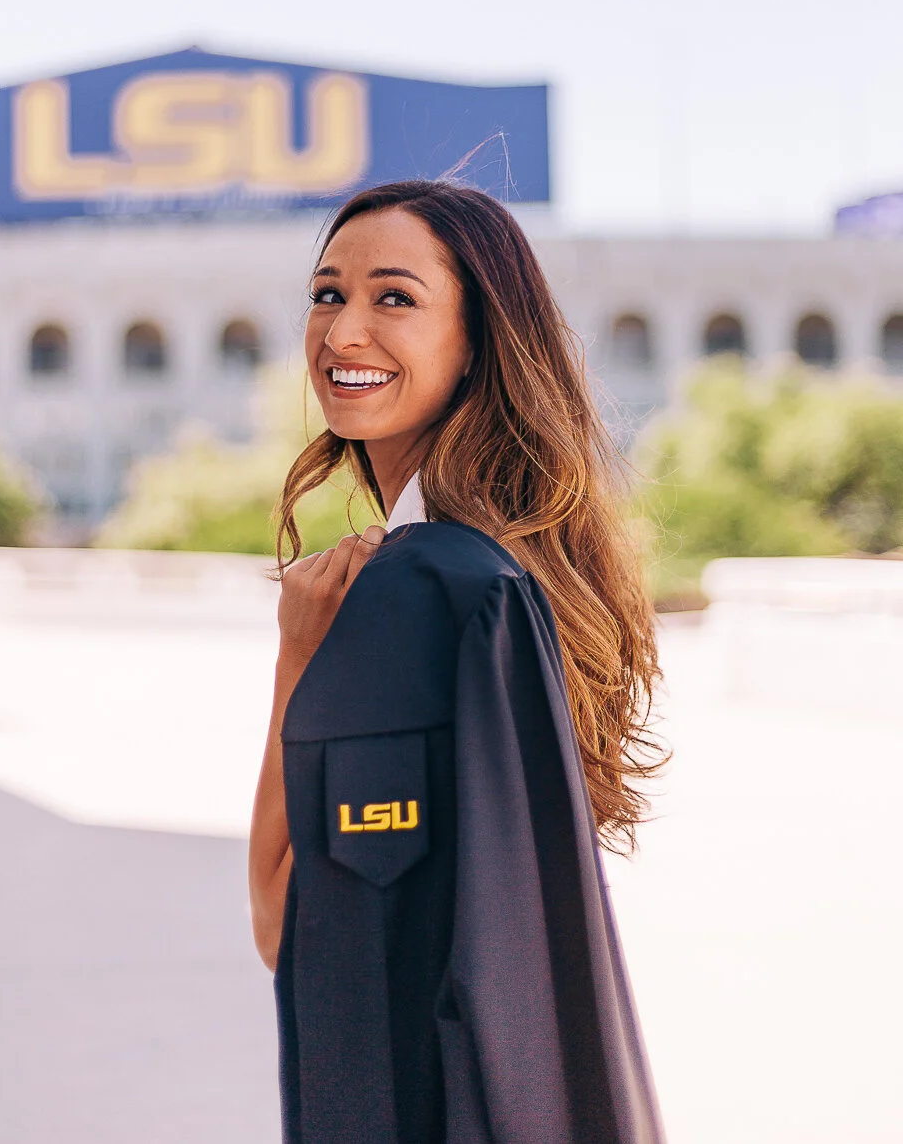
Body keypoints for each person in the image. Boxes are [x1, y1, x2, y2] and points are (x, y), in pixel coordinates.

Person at [249, 179, 669, 1143]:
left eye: (394, 297)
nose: (343, 332)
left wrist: (301, 654)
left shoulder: (423, 592)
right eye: (327, 294)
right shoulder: (505, 565)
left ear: (480, 339)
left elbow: (289, 922)